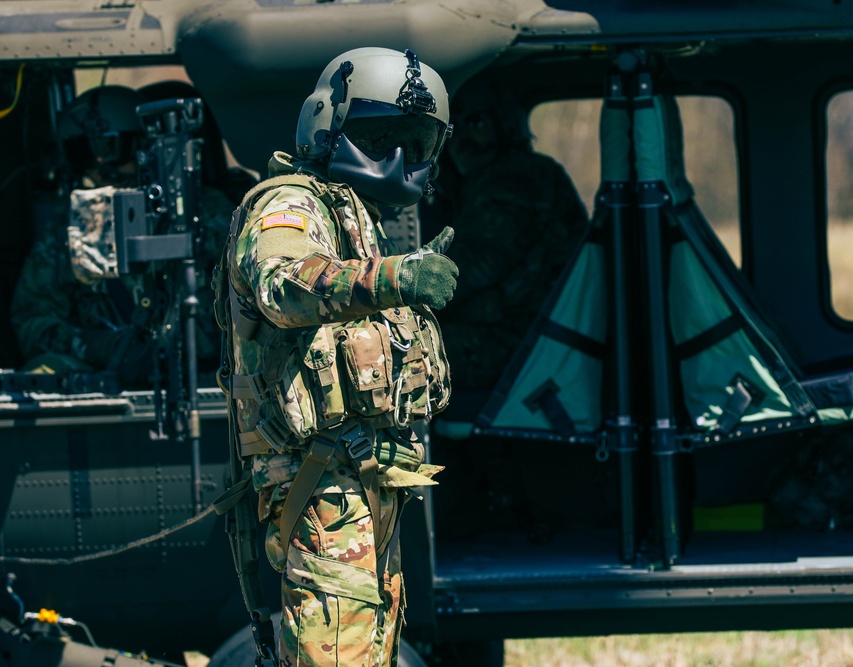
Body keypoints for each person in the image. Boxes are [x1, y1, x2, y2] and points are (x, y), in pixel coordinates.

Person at [218, 47, 457, 665]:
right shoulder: (289, 204)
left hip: (360, 475)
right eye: (379, 137)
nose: (399, 157)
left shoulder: (354, 218)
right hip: (319, 479)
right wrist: (391, 279)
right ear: (326, 126)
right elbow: (283, 284)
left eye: (417, 139)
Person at [10, 83, 239, 385]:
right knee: (43, 372)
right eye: (84, 153)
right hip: (107, 373)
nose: (100, 164)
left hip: (206, 369)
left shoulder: (204, 210)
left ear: (144, 148)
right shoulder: (67, 227)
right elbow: (32, 318)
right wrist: (97, 346)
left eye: (113, 148)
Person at [420, 73, 588, 396]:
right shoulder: (488, 181)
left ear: (505, 125)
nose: (463, 140)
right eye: (453, 129)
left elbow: (467, 272)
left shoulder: (512, 181)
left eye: (477, 123)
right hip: (529, 331)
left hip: (526, 342)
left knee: (405, 346)